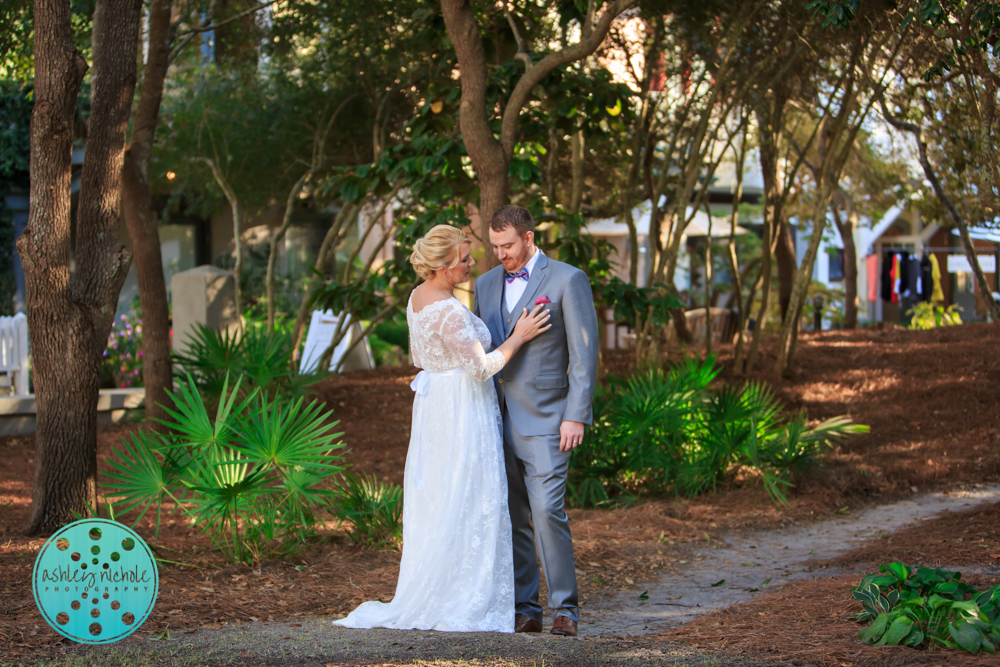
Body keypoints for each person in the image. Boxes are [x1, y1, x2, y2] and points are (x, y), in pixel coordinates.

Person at [333, 224, 551, 633]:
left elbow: (423, 354)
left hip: (436, 407)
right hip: (461, 408)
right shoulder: (448, 310)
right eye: (465, 259)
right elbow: (481, 368)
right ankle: (462, 595)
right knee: (467, 492)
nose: (473, 263)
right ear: (444, 267)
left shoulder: (418, 298)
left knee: (444, 494)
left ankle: (449, 582)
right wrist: (519, 336)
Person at [473, 205, 599, 638]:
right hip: (493, 418)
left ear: (528, 238)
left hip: (548, 419)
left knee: (547, 511)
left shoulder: (568, 279)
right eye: (494, 247)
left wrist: (576, 415)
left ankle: (566, 608)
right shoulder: (485, 284)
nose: (500, 255)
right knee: (513, 515)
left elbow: (585, 356)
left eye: (507, 246)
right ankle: (526, 609)